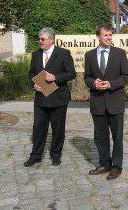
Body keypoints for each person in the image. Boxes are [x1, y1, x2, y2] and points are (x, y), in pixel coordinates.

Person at [24, 27, 76, 167]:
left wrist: (56, 77)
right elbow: (31, 74)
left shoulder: (63, 53)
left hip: (58, 98)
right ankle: (35, 156)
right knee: (38, 129)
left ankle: (55, 155)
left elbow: (72, 73)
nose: (40, 41)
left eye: (43, 39)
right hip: (41, 98)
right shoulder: (35, 54)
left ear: (51, 40)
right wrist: (33, 84)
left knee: (58, 129)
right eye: (39, 38)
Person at [84, 25, 128, 180]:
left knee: (117, 137)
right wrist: (93, 83)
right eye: (106, 35)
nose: (109, 38)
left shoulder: (120, 54)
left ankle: (117, 167)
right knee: (100, 136)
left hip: (115, 102)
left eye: (110, 35)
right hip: (97, 102)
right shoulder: (89, 55)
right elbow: (87, 77)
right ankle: (105, 164)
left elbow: (126, 77)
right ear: (98, 37)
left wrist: (111, 84)